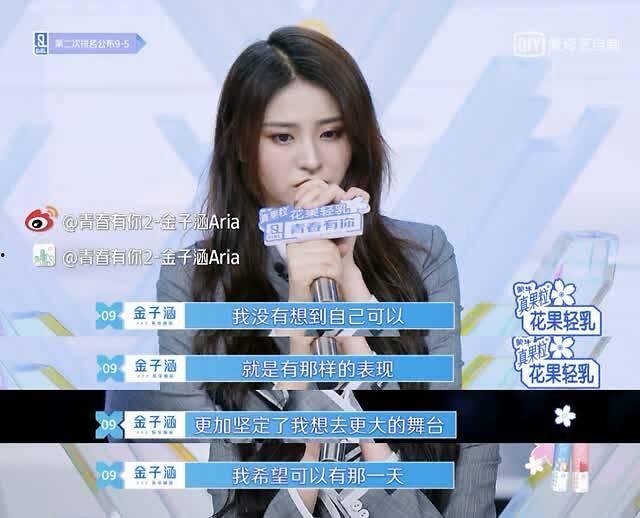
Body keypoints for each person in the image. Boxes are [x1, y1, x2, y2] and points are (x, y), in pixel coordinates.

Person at [107, 25, 499, 517]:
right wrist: (298, 321)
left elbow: (437, 449)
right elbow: (214, 492)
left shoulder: (424, 254)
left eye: (330, 133)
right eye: (282, 137)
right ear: (241, 146)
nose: (311, 160)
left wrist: (352, 294)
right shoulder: (193, 280)